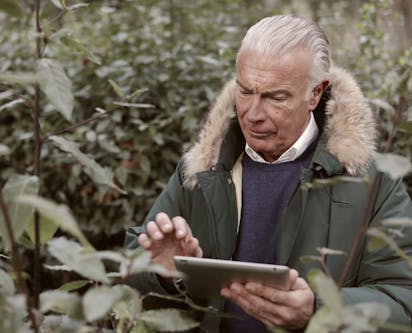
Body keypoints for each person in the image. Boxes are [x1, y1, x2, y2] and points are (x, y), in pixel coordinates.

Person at [124, 15, 412, 332]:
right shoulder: (201, 171)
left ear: (316, 93)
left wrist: (321, 310)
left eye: (276, 97)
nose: (253, 114)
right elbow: (131, 263)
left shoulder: (372, 183)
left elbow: (403, 301)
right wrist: (166, 273)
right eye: (245, 91)